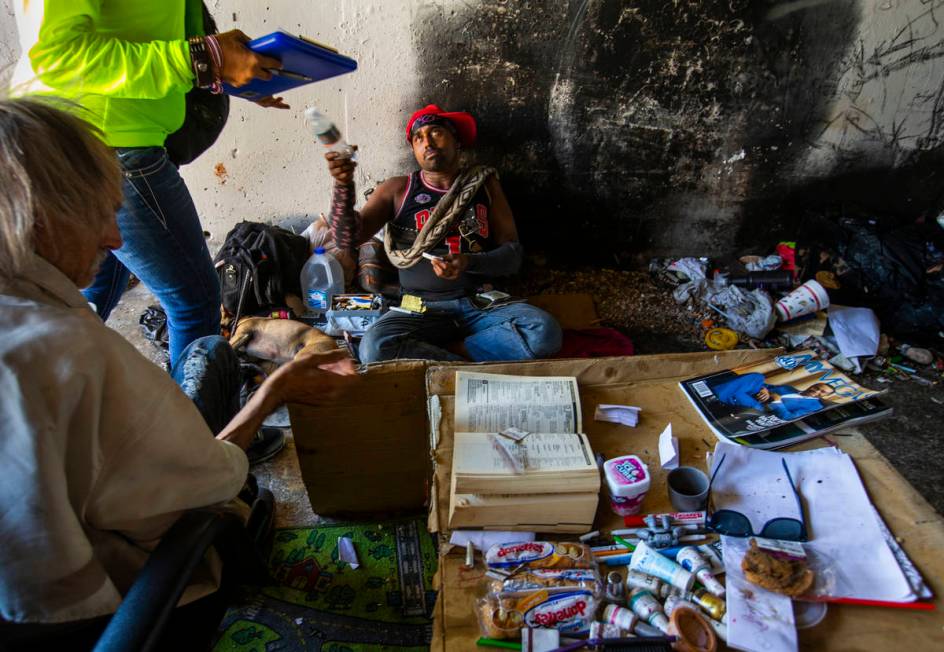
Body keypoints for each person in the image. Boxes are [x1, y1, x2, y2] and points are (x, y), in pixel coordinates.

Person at [0, 99, 355, 641]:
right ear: (41, 215)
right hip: (116, 609)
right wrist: (272, 395)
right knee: (247, 495)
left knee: (209, 351)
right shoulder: (73, 353)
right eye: (102, 214)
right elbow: (214, 486)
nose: (115, 239)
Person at [10, 1, 288, 368]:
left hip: (107, 137)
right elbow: (61, 53)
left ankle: (67, 411)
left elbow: (139, 32)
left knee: (86, 298)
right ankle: (198, 423)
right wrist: (204, 57)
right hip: (106, 143)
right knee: (194, 300)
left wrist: (221, 68)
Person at [324, 104, 562, 363]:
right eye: (418, 138)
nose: (427, 142)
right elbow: (346, 238)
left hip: (478, 303)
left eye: (436, 132)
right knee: (374, 348)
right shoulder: (397, 189)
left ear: (457, 141)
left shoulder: (485, 185)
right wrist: (343, 186)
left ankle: (451, 354)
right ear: (414, 150)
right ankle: (477, 356)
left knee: (544, 331)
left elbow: (513, 256)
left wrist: (469, 262)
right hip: (419, 307)